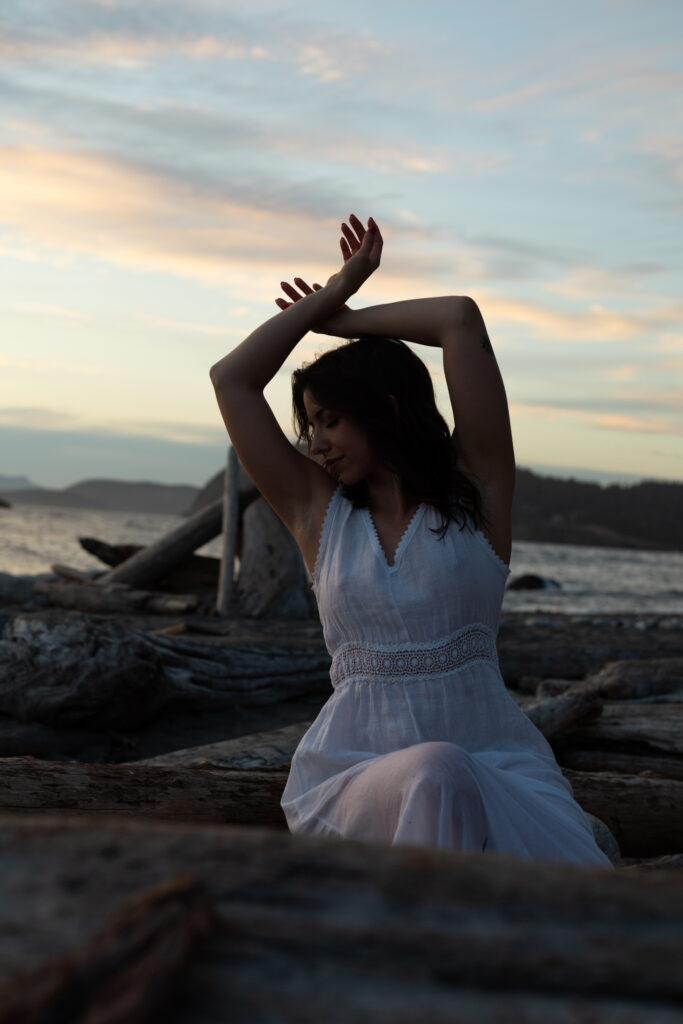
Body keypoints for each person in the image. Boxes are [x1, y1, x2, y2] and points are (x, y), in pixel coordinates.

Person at [210, 214, 611, 865]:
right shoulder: (319, 514)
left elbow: (458, 317)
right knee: (433, 771)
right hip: (354, 778)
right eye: (309, 425)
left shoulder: (476, 496)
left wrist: (343, 319)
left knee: (444, 771)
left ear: (387, 410)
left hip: (498, 770)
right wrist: (324, 297)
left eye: (330, 420)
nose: (314, 443)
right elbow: (231, 379)